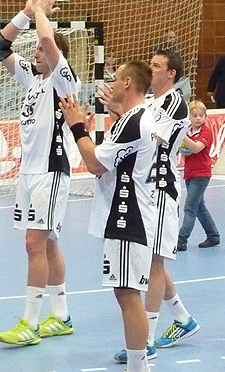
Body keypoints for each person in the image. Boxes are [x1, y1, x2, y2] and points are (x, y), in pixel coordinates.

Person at [60, 61, 157, 372]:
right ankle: (138, 364)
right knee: (125, 292)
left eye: (115, 79)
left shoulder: (135, 121)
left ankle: (138, 366)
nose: (111, 84)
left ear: (127, 83)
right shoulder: (134, 118)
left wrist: (77, 126)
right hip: (129, 214)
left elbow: (95, 163)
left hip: (129, 216)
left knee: (128, 294)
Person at [0, 0, 78, 346]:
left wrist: (43, 12)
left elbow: (46, 38)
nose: (36, 52)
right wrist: (27, 12)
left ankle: (29, 323)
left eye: (42, 52)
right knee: (49, 244)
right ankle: (61, 315)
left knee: (34, 244)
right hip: (28, 174)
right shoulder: (33, 78)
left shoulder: (63, 79)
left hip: (51, 171)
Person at [112, 50, 199, 363]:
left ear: (171, 73)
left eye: (157, 65)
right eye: (150, 64)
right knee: (153, 260)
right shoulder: (149, 103)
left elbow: (153, 139)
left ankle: (146, 339)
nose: (151, 68)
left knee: (154, 262)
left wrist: (122, 111)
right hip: (147, 189)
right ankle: (183, 318)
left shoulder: (173, 101)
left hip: (162, 188)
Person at [177, 100, 220, 250]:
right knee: (199, 207)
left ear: (205, 116)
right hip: (189, 173)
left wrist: (182, 136)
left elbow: (196, 148)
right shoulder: (188, 130)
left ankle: (181, 239)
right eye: (195, 115)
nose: (198, 118)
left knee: (190, 207)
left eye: (201, 115)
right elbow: (183, 149)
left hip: (201, 174)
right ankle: (213, 236)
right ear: (189, 117)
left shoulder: (206, 132)